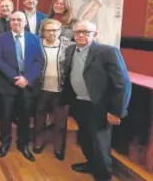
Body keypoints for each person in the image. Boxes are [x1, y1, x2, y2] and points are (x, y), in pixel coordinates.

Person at [62, 21, 131, 181]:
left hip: (99, 107)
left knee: (100, 144)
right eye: (77, 32)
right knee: (85, 138)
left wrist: (116, 111)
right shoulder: (71, 49)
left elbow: (123, 84)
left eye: (86, 32)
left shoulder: (108, 52)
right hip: (79, 103)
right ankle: (91, 164)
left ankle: (103, 176)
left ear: (95, 34)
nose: (80, 35)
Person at [0, 11, 44, 162]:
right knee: (6, 116)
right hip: (7, 84)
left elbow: (39, 62)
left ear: (25, 22)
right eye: (13, 19)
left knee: (25, 116)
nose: (15, 22)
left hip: (27, 85)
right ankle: (5, 142)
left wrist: (27, 79)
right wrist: (14, 78)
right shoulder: (2, 38)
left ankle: (23, 145)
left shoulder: (34, 39)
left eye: (19, 20)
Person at [33, 19, 72, 161]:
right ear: (43, 32)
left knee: (60, 121)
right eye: (48, 30)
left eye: (55, 30)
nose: (51, 33)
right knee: (40, 117)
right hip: (41, 89)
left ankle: (59, 146)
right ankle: (38, 142)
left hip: (60, 90)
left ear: (60, 31)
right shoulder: (36, 45)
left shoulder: (68, 46)